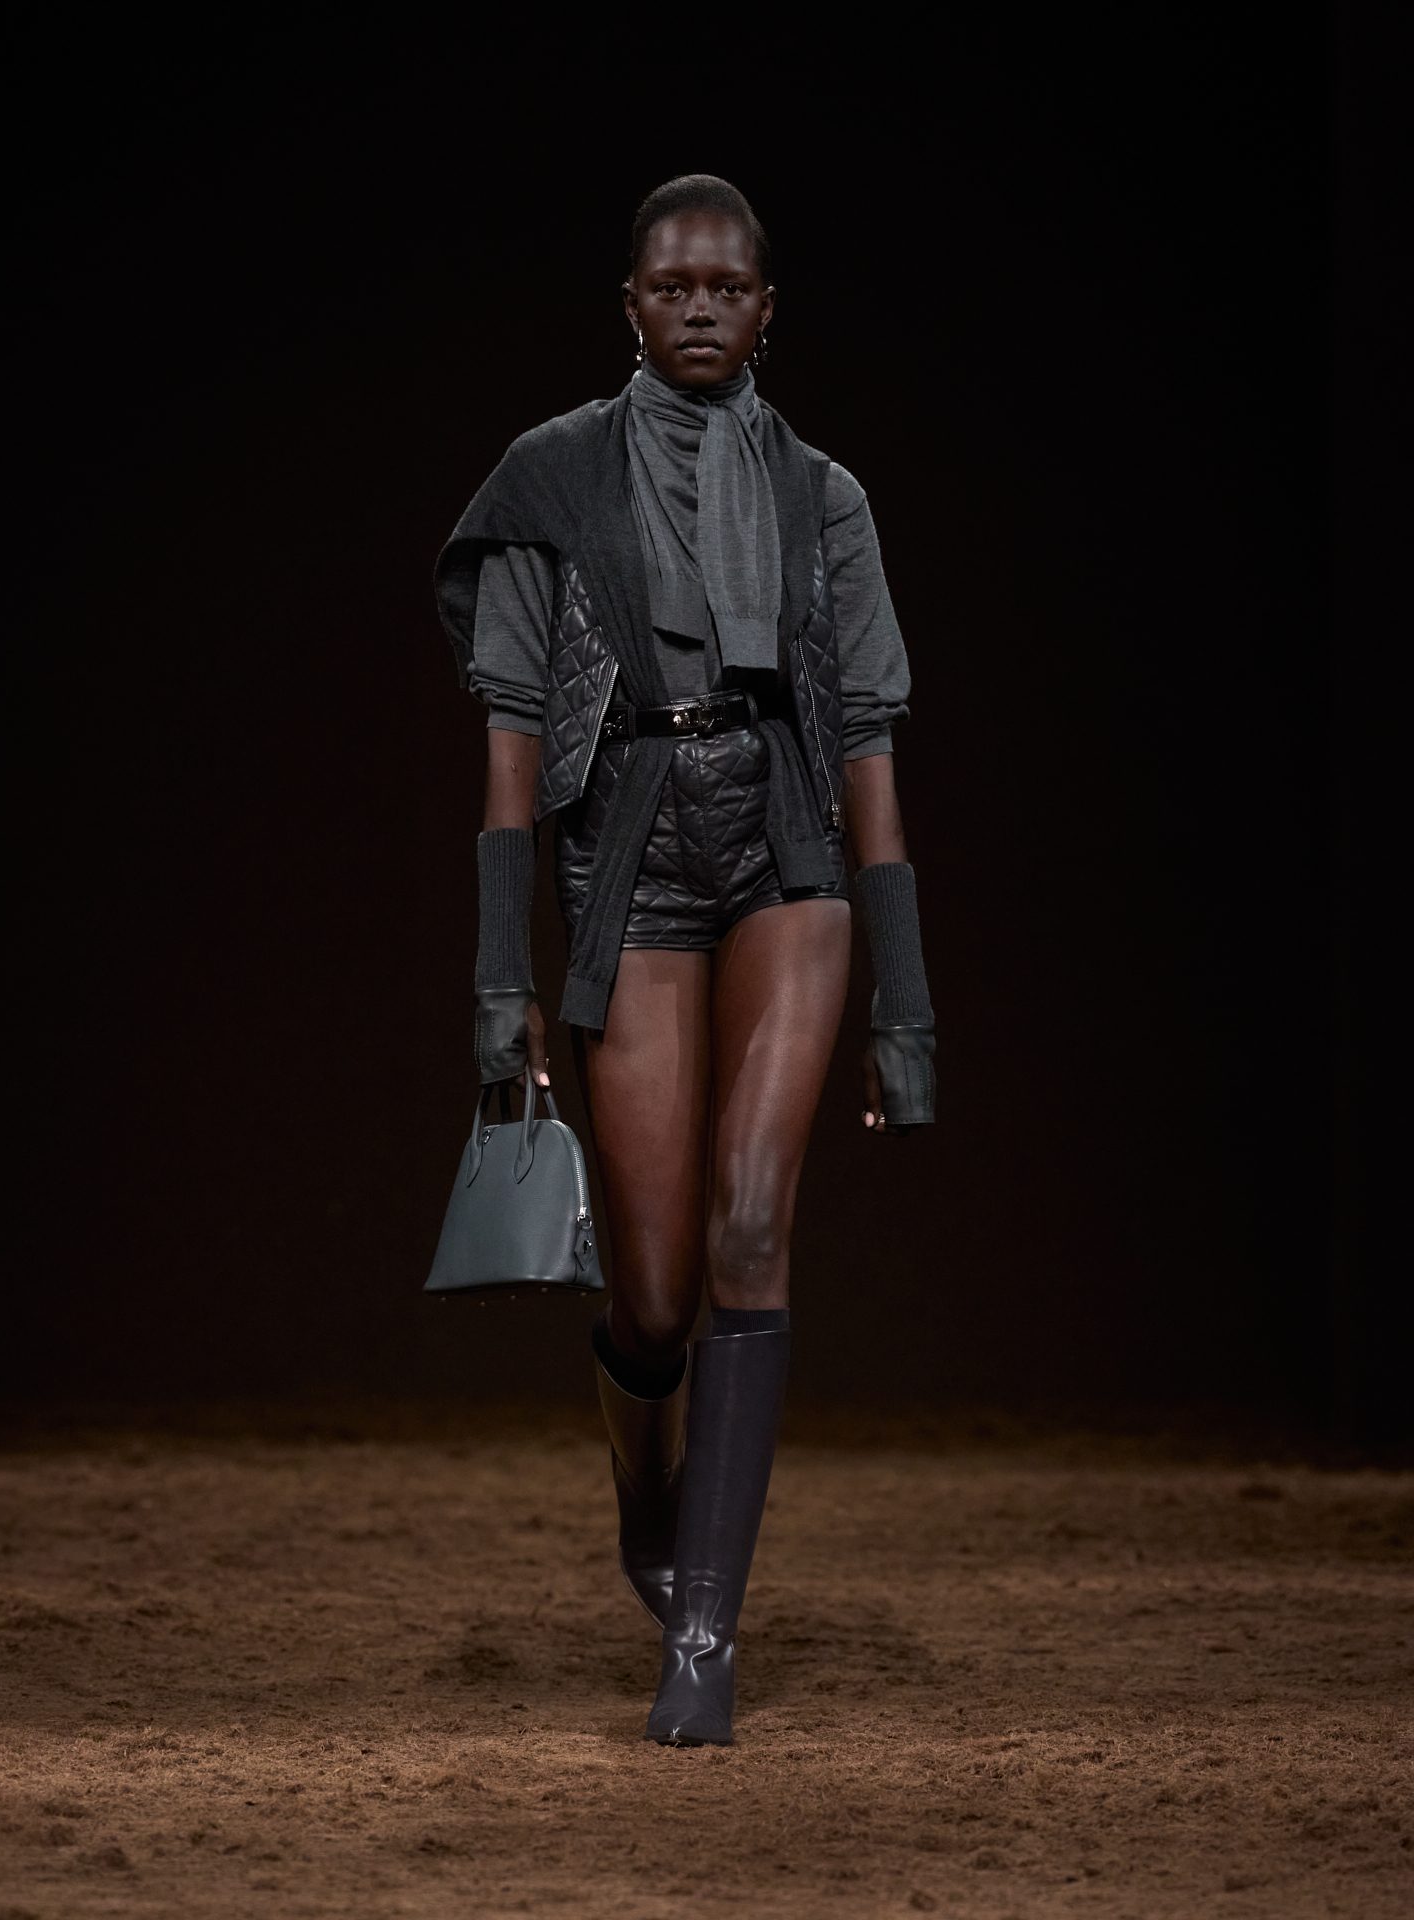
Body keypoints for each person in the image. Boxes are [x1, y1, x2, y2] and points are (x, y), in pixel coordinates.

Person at [433, 174, 936, 1747]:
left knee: (752, 1217)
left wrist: (907, 1001)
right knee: (651, 1301)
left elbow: (866, 740)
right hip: (631, 857)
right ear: (632, 306)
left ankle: (705, 1635)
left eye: (729, 286)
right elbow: (512, 748)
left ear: (768, 311)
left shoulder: (825, 497)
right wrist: (501, 982)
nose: (702, 305)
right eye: (674, 285)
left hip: (787, 846)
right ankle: (647, 1486)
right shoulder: (551, 476)